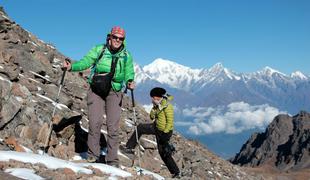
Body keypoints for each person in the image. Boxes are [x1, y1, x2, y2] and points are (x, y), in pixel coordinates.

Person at [63, 26, 135, 167]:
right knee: (94, 123)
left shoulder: (126, 55)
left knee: (113, 127)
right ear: (110, 37)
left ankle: (112, 160)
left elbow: (129, 72)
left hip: (114, 91)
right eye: (115, 37)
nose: (117, 40)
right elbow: (86, 62)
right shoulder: (99, 49)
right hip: (96, 89)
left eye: (121, 38)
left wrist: (130, 81)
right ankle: (92, 155)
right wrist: (72, 67)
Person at [121, 87, 180, 178]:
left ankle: (176, 172)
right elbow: (152, 117)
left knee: (163, 152)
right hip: (156, 127)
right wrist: (154, 107)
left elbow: (170, 121)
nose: (152, 99)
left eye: (153, 98)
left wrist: (165, 133)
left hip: (165, 131)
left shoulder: (167, 106)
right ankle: (129, 147)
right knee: (140, 128)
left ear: (158, 97)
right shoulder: (158, 105)